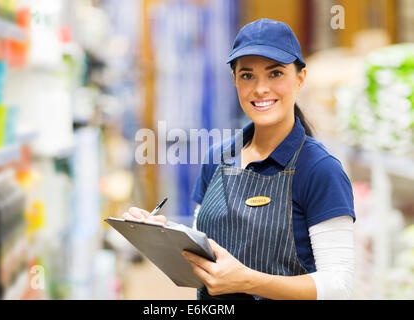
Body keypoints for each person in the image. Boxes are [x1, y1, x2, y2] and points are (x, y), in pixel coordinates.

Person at [123, 18, 355, 300]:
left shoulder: (318, 169)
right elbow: (207, 250)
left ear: (300, 78)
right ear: (234, 80)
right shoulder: (217, 157)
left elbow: (340, 286)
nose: (260, 89)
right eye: (247, 75)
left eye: (275, 74)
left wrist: (247, 281)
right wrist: (164, 236)